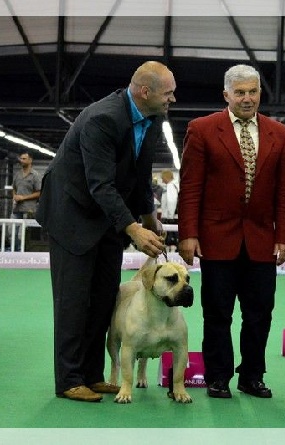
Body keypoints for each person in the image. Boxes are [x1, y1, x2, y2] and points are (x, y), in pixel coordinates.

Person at [36, 61, 174, 402]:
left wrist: (149, 218)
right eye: (168, 92)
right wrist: (133, 230)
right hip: (72, 214)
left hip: (105, 218)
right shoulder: (103, 118)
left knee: (102, 300)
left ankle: (93, 376)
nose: (173, 98)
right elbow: (100, 184)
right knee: (73, 301)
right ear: (146, 91)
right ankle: (69, 379)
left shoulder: (152, 117)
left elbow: (140, 175)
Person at [178, 64, 285, 399]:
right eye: (239, 92)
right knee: (217, 313)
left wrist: (283, 236)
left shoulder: (279, 133)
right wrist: (188, 233)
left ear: (260, 93)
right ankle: (217, 376)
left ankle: (252, 375)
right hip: (216, 238)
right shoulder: (201, 129)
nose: (247, 98)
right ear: (226, 94)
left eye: (252, 91)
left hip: (261, 239)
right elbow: (191, 187)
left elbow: (282, 192)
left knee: (259, 314)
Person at [10, 152, 42, 250]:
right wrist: (14, 196)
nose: (21, 160)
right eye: (21, 158)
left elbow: (39, 192)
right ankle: (14, 252)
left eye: (24, 159)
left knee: (26, 234)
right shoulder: (17, 174)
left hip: (29, 210)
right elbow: (13, 188)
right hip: (16, 209)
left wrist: (23, 198)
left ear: (30, 160)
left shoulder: (35, 175)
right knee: (12, 232)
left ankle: (25, 253)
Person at [159, 169, 180, 249]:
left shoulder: (170, 186)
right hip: (175, 216)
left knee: (169, 239)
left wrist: (170, 216)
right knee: (176, 238)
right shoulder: (176, 185)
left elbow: (171, 201)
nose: (162, 180)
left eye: (162, 178)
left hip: (170, 217)